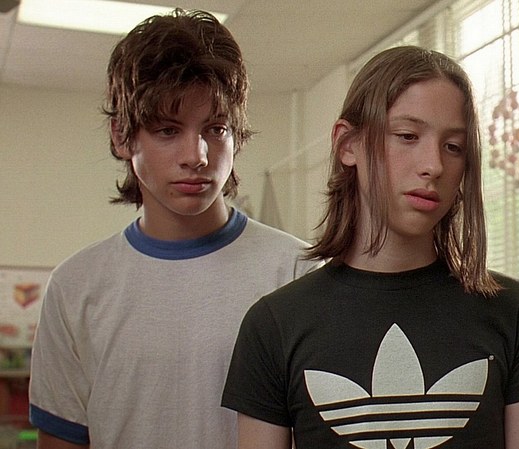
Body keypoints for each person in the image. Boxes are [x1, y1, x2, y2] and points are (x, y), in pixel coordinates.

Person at [221, 45, 519, 449]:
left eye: (453, 146)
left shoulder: (512, 312)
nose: (433, 165)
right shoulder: (274, 325)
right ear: (348, 144)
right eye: (408, 136)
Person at [27, 9, 321, 449]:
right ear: (122, 137)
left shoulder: (299, 272)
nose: (196, 156)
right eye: (168, 130)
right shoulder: (75, 288)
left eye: (216, 129)